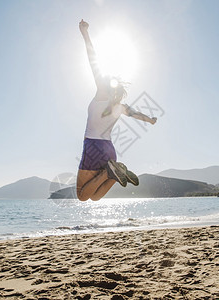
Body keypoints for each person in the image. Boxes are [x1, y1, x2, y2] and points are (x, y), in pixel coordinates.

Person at [76, 19, 157, 201]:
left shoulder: (101, 93)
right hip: (109, 150)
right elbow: (137, 115)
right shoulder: (120, 107)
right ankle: (113, 174)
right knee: (94, 197)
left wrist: (85, 33)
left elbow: (92, 59)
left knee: (82, 196)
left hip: (93, 146)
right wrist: (151, 120)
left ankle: (108, 174)